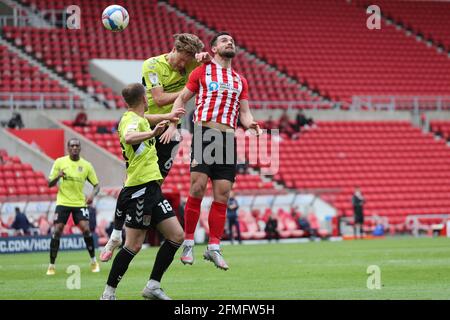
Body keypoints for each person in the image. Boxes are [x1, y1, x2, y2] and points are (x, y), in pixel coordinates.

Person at [100, 34, 210, 262]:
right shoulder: (152, 65)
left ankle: (140, 225)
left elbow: (211, 72)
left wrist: (206, 61)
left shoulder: (192, 64)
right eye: (182, 59)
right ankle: (116, 233)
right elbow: (159, 99)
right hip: (147, 123)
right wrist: (190, 90)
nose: (184, 65)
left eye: (189, 60)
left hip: (170, 129)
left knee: (155, 182)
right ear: (175, 49)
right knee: (133, 180)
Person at [174, 32, 261, 270]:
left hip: (227, 138)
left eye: (232, 40)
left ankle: (214, 247)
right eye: (224, 40)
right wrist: (173, 123)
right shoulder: (203, 70)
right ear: (213, 49)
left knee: (222, 194)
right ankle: (189, 242)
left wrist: (250, 123)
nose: (229, 42)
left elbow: (244, 111)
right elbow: (182, 98)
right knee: (198, 187)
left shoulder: (239, 80)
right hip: (205, 133)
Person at [100, 83, 184, 300]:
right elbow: (129, 136)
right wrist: (153, 133)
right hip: (139, 189)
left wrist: (169, 115)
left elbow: (149, 120)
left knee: (176, 236)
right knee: (134, 245)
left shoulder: (140, 118)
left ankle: (153, 286)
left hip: (151, 188)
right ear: (145, 99)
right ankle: (108, 293)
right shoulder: (131, 121)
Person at [46, 138, 100, 275]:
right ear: (68, 148)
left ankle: (93, 261)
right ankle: (51, 265)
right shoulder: (60, 162)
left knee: (86, 229)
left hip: (79, 203)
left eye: (77, 146)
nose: (74, 148)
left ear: (80, 148)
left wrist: (92, 195)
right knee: (57, 230)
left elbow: (97, 185)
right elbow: (49, 183)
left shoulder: (86, 165)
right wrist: (58, 176)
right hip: (63, 202)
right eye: (72, 146)